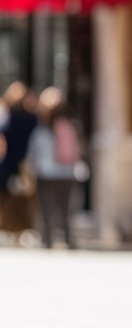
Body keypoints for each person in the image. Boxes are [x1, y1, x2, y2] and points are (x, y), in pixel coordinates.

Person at [30, 87, 81, 248]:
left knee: (46, 208)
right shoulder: (69, 127)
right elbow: (76, 151)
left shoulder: (41, 131)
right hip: (66, 173)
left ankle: (47, 239)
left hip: (45, 173)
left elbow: (33, 154)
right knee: (64, 208)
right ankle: (67, 238)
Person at [0, 82, 36, 235]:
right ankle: (19, 230)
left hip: (6, 163)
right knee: (22, 200)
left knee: (5, 198)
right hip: (23, 164)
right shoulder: (32, 119)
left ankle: (6, 227)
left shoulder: (6, 116)